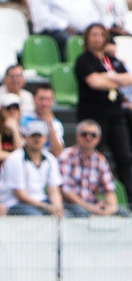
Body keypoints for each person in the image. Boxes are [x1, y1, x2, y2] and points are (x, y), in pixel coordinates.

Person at [75, 22, 132, 198]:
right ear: (87, 38)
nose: (98, 38)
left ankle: (129, 196)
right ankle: (86, 195)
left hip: (115, 115)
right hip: (93, 116)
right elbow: (95, 83)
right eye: (94, 34)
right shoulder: (84, 60)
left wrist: (107, 77)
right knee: (91, 155)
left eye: (101, 34)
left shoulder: (112, 60)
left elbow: (129, 79)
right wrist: (115, 80)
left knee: (124, 157)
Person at [0, 120, 65, 215]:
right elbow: (20, 195)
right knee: (37, 216)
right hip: (14, 203)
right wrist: (46, 207)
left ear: (46, 138)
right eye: (33, 135)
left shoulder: (50, 159)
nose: (36, 139)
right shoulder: (16, 158)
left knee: (67, 214)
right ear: (26, 137)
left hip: (40, 202)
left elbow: (54, 191)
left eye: (40, 136)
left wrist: (57, 207)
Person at [58, 119, 122, 216]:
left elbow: (108, 190)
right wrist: (88, 207)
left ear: (98, 139)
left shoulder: (101, 160)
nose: (89, 137)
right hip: (69, 205)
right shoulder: (66, 156)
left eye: (93, 135)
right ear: (77, 137)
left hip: (92, 204)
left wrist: (111, 208)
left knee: (123, 213)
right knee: (83, 213)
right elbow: (65, 191)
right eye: (84, 134)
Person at [19, 84, 65, 156]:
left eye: (48, 99)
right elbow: (19, 147)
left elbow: (58, 153)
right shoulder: (23, 119)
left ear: (52, 101)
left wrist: (50, 126)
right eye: (41, 99)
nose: (44, 103)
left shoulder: (56, 123)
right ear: (34, 99)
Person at [0, 93, 25, 163]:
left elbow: (20, 151)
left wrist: (14, 130)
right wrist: (16, 157)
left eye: (16, 107)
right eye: (9, 107)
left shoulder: (21, 129)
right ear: (2, 111)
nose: (13, 111)